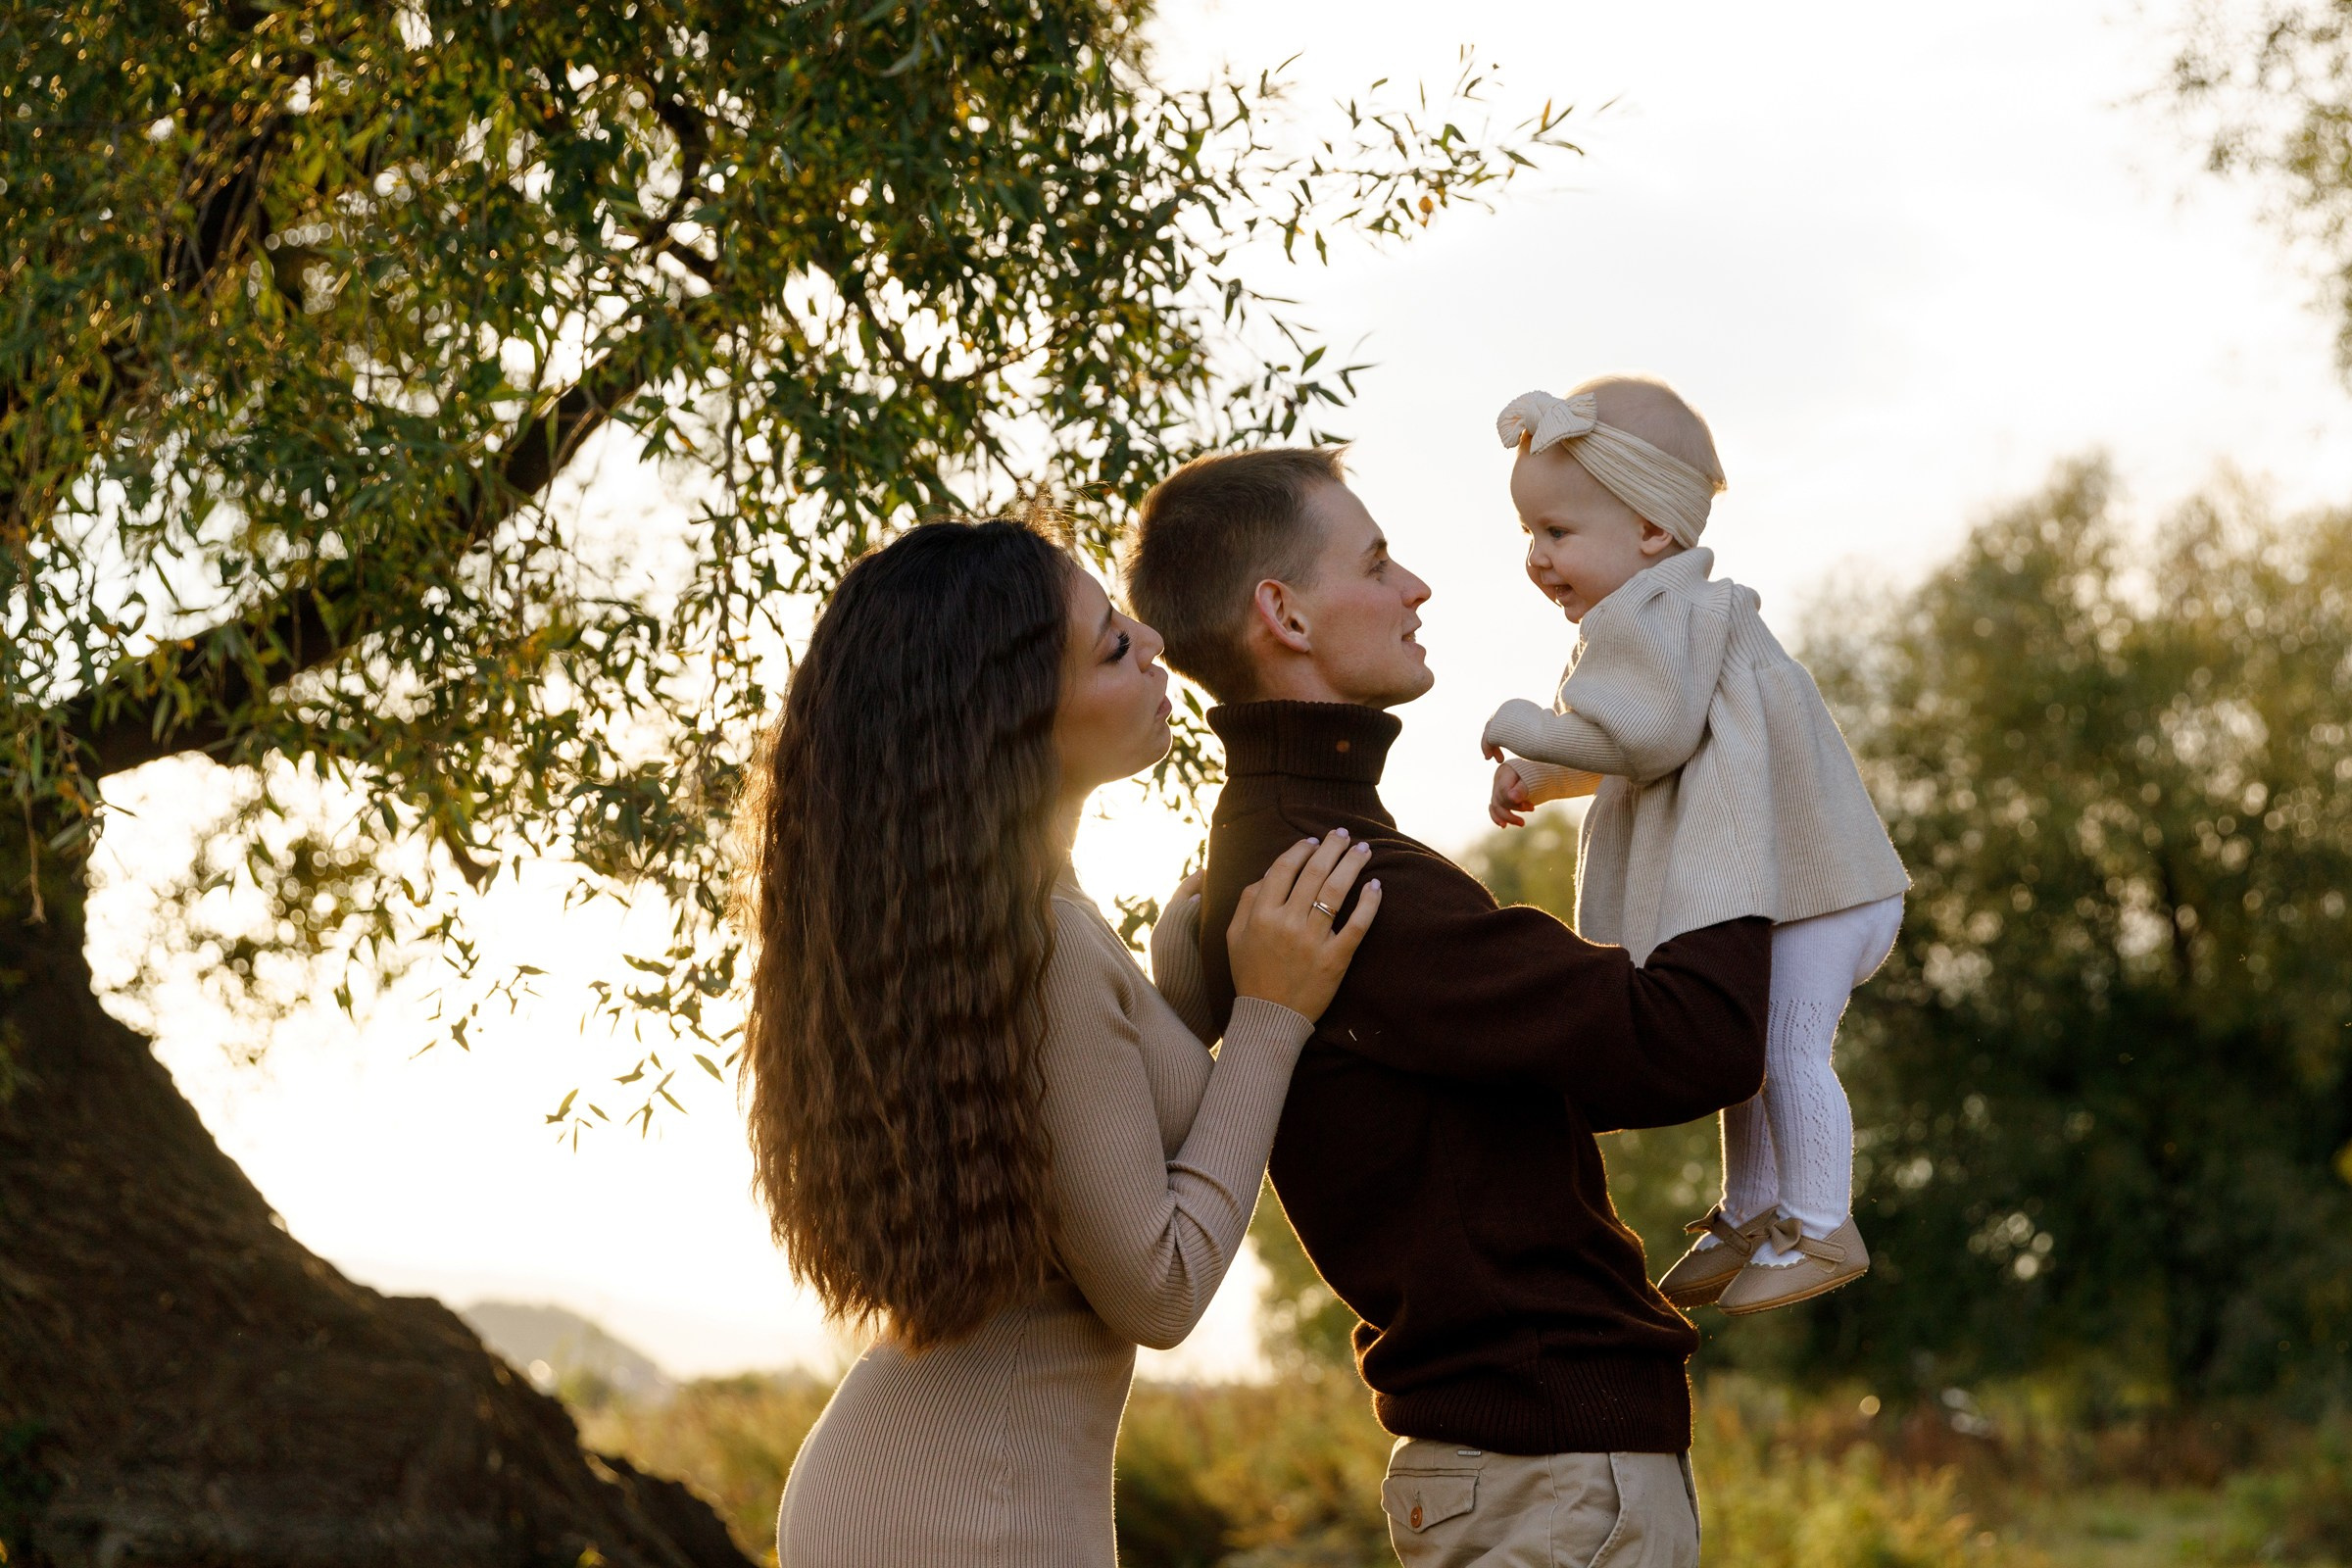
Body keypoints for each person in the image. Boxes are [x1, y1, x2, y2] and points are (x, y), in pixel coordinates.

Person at [1128, 449, 1768, 1568]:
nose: (1416, 586)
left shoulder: (1297, 854)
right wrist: (1747, 780)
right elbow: (1687, 1045)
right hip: (1549, 1480)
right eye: (1376, 562)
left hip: (1532, 1475)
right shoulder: (1338, 879)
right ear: (1283, 613)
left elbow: (1569, 1070)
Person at [740, 517, 1382, 1567]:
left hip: (924, 1490)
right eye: (1113, 645)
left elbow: (1092, 1129)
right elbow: (1160, 1285)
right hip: (975, 1516)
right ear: (1016, 716)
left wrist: (1184, 980)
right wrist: (1274, 1014)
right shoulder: (1042, 940)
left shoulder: (1008, 923)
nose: (1155, 642)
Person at [1481, 377, 1909, 1315]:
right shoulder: (1667, 621)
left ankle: (1821, 1223)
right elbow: (1649, 750)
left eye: (1557, 533)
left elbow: (1647, 739)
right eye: (1530, 535)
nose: (1537, 560)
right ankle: (1752, 1212)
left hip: (1822, 886)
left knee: (1790, 1045)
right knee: (1745, 1045)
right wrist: (1548, 776)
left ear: (1651, 531)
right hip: (1803, 884)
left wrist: (1528, 725)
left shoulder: (1672, 616)